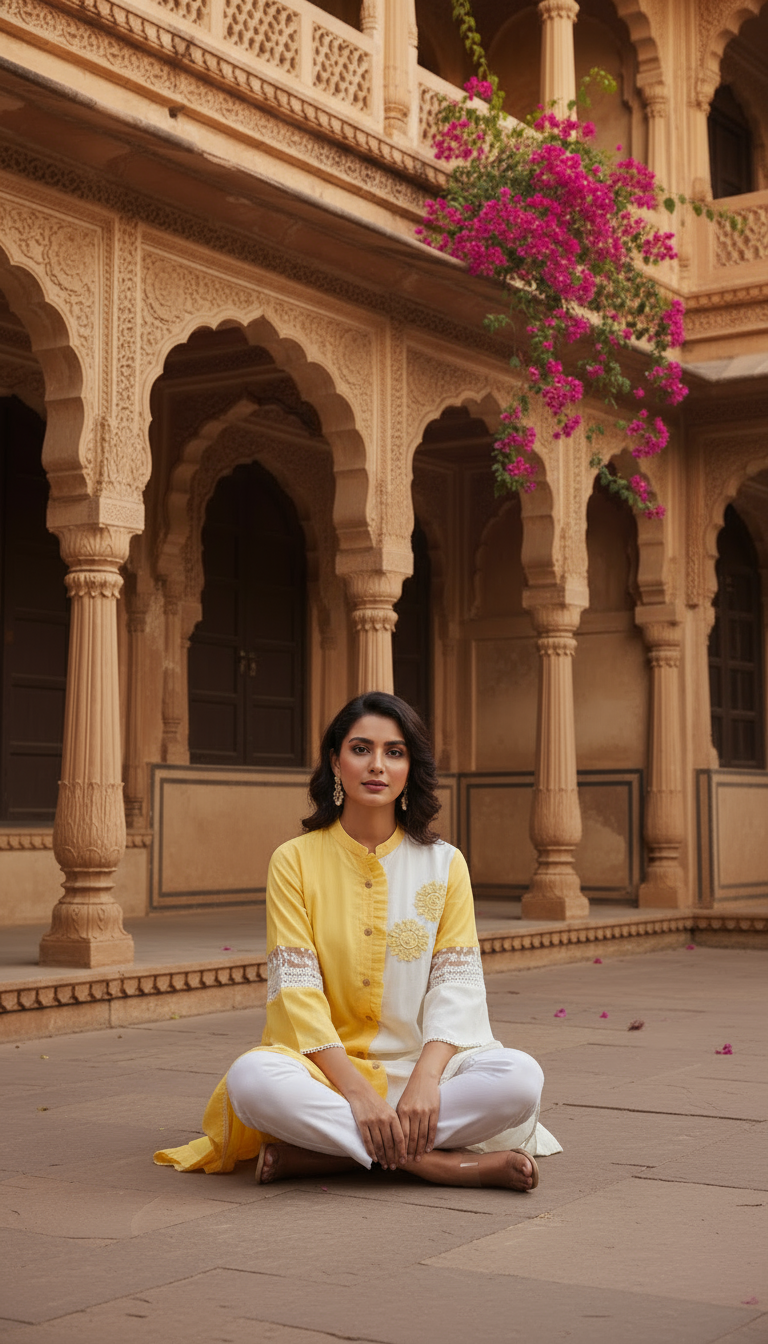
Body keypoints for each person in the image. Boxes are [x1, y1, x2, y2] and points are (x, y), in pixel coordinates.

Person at [154, 691, 560, 1190]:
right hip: (324, 1074)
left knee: (520, 1078)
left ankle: (325, 1156)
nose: (377, 765)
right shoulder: (294, 860)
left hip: (424, 1071)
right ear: (335, 761)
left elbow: (457, 985)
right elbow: (296, 991)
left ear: (411, 767)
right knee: (251, 1082)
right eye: (361, 748)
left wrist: (427, 1080)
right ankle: (437, 1164)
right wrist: (358, 1094)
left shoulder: (445, 864)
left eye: (394, 752)